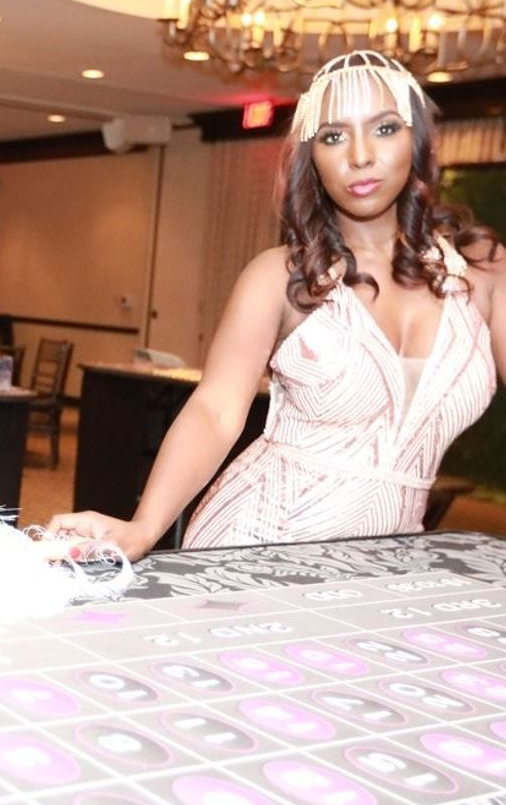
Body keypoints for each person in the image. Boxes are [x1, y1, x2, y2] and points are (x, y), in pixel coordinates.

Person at [49, 50, 505, 561]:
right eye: (333, 136)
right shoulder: (281, 275)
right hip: (259, 541)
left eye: (383, 128)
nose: (359, 154)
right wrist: (146, 525)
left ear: (417, 139)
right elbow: (216, 410)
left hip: (388, 556)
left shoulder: (483, 269)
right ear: (313, 157)